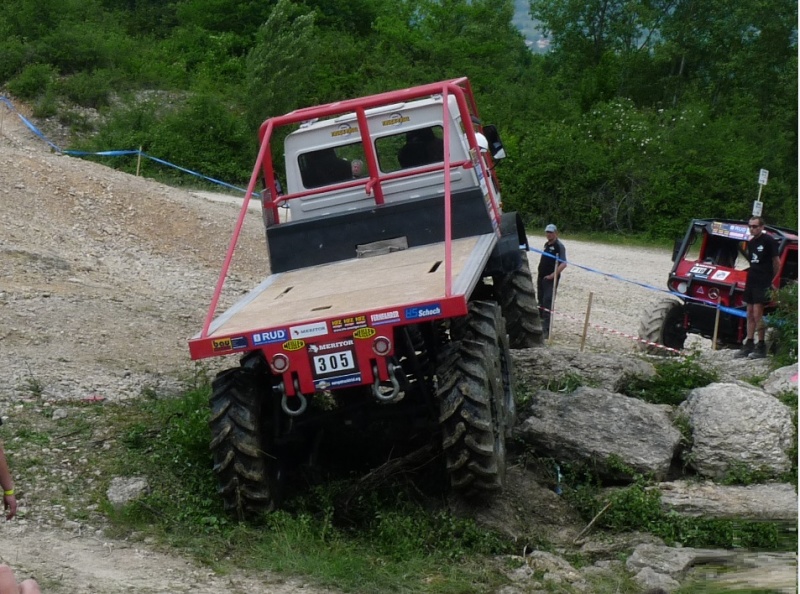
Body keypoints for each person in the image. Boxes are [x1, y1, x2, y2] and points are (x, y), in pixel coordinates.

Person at [735, 216, 780, 359]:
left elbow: (776, 262)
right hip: (752, 279)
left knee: (757, 313)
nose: (752, 229)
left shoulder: (769, 241)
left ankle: (761, 345)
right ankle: (749, 342)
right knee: (749, 312)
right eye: (750, 227)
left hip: (763, 280)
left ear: (761, 227)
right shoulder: (751, 242)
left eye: (755, 226)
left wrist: (771, 279)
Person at [537, 224, 567, 339]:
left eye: (551, 232)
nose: (548, 234)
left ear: (556, 233)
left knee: (547, 301)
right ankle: (539, 326)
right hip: (541, 277)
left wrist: (553, 275)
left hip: (550, 279)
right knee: (540, 301)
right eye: (547, 232)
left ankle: (546, 330)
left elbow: (563, 263)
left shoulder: (559, 246)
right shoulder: (546, 245)